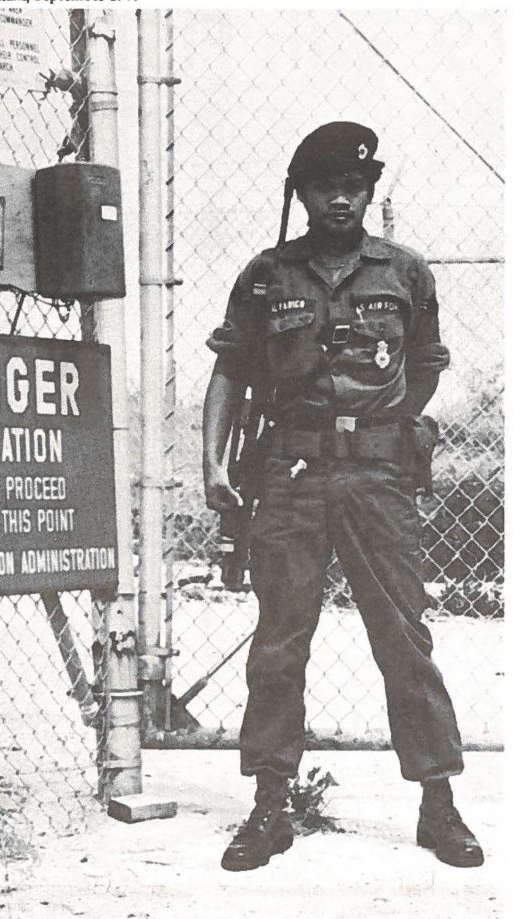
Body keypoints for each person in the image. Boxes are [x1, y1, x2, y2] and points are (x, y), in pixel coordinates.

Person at [202, 121, 484, 873]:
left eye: (354, 187)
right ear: (300, 193)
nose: (341, 199)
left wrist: (377, 425)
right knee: (280, 639)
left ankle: (438, 803)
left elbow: (423, 366)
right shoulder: (267, 276)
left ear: (369, 192)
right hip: (289, 471)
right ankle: (270, 806)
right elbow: (230, 369)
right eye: (326, 186)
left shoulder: (405, 273)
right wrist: (213, 461)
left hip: (377, 480)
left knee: (403, 637)